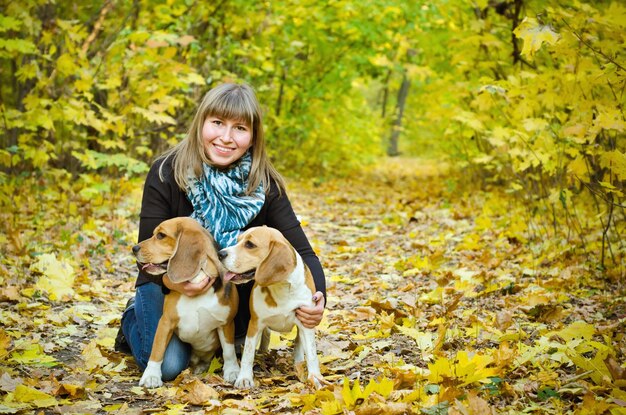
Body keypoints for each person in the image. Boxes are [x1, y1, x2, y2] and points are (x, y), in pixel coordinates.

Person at [115, 82, 326, 381]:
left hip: (228, 297)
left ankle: (227, 334)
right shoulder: (165, 172)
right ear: (201, 123)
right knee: (171, 367)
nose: (226, 138)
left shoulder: (266, 184)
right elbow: (147, 254)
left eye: (240, 128)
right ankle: (133, 315)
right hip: (164, 285)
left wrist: (318, 298)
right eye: (217, 123)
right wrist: (175, 283)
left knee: (232, 347)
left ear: (253, 137)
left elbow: (302, 253)